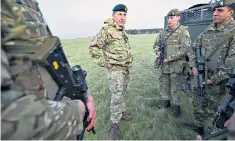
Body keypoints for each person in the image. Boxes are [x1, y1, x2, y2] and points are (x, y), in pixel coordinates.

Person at [1, 0, 96, 140]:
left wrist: (86, 94)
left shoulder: (29, 4)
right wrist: (76, 112)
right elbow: (6, 119)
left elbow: (54, 65)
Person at [183, 0, 235, 136]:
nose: (215, 13)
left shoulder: (233, 33)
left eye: (220, 10)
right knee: (198, 103)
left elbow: (230, 64)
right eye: (214, 10)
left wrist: (213, 80)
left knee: (213, 111)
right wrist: (193, 66)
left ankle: (209, 135)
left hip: (217, 82)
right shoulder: (209, 28)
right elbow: (192, 50)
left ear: (230, 13)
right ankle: (197, 125)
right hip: (200, 76)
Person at [89, 4, 133, 140]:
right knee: (116, 97)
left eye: (124, 15)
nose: (122, 17)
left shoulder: (121, 31)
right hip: (115, 71)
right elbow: (93, 48)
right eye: (119, 14)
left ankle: (122, 112)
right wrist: (105, 63)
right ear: (113, 15)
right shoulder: (107, 30)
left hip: (125, 69)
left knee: (122, 93)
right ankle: (114, 126)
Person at [153, 9, 191, 117]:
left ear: (178, 18)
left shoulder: (183, 32)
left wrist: (170, 58)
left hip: (176, 66)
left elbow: (185, 49)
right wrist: (157, 51)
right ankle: (166, 103)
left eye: (172, 18)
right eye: (168, 18)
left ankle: (176, 107)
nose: (169, 20)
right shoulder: (163, 33)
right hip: (164, 65)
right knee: (164, 84)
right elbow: (155, 44)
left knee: (176, 87)